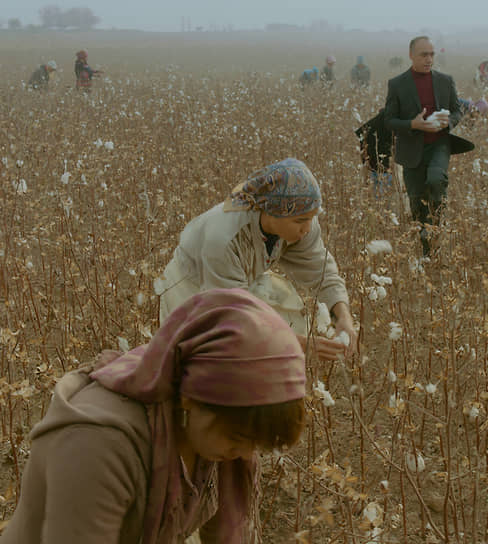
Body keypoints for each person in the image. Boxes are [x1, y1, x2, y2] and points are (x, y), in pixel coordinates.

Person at [0, 288, 307, 543]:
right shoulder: (97, 445)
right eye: (239, 438)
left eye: (257, 444)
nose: (246, 453)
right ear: (191, 396)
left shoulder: (218, 433)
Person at [156, 158, 357, 361]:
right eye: (300, 221)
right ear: (272, 213)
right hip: (189, 284)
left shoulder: (301, 220)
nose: (307, 229)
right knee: (203, 359)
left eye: (311, 217)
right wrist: (297, 344)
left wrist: (343, 316)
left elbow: (322, 272)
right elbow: (231, 317)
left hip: (240, 279)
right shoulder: (223, 238)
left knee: (277, 337)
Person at [384, 35, 473, 257]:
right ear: (411, 55)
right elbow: (389, 120)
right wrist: (413, 124)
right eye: (424, 54)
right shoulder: (397, 84)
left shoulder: (445, 80)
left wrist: (448, 121)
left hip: (439, 145)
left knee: (435, 179)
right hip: (411, 151)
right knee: (416, 204)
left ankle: (437, 222)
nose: (429, 59)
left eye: (432, 54)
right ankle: (427, 251)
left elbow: (457, 109)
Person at [355, 109, 394, 198]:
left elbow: (362, 137)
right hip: (383, 166)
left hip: (374, 165)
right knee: (383, 197)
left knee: (377, 196)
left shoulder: (375, 122)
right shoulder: (390, 120)